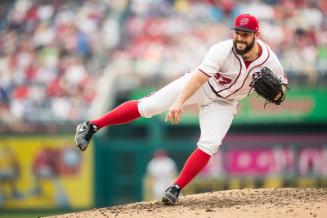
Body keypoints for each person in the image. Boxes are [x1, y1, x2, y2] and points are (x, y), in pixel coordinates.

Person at [74, 14, 288, 205]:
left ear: (256, 34)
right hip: (201, 86)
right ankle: (92, 126)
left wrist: (278, 94)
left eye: (245, 34)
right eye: (238, 33)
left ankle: (175, 188)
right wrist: (179, 101)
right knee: (149, 107)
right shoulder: (222, 50)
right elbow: (198, 77)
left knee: (210, 144)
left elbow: (282, 88)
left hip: (225, 103)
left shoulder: (270, 60)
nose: (240, 38)